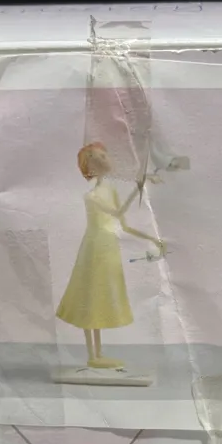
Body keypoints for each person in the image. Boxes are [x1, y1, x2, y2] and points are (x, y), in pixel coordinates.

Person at [56, 142, 164, 369]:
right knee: (90, 297)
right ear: (90, 167)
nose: (107, 159)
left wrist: (151, 239)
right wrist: (138, 187)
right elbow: (117, 212)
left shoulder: (109, 191)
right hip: (94, 248)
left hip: (109, 247)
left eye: (106, 155)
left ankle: (98, 354)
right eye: (101, 157)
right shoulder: (92, 196)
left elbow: (123, 225)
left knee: (102, 296)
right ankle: (93, 356)